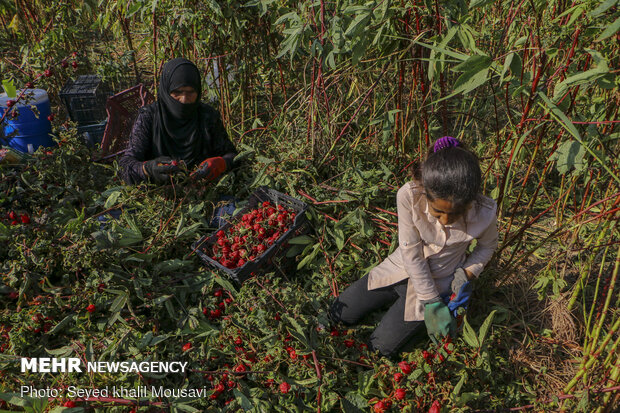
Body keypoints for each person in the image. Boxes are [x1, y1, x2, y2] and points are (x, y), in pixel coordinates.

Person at [329, 136, 499, 358]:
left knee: (379, 349)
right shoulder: (410, 195)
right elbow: (411, 253)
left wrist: (466, 273)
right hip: (401, 268)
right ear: (425, 191)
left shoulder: (485, 212)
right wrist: (431, 302)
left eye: (457, 214)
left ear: (472, 200)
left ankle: (408, 329)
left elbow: (487, 247)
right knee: (339, 313)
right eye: (438, 212)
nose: (446, 220)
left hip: (441, 282)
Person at [120, 58, 237, 185]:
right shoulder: (149, 117)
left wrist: (221, 163)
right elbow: (126, 165)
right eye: (177, 92)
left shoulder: (207, 116)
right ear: (166, 90)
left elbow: (233, 156)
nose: (184, 99)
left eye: (191, 92)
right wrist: (148, 169)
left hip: (203, 189)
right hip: (159, 192)